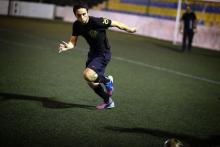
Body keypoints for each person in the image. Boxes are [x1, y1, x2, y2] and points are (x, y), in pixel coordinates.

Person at [58, 3, 136, 110]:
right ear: (75, 15)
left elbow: (116, 23)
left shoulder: (96, 21)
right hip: (93, 54)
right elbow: (73, 41)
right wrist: (68, 46)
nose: (82, 17)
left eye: (84, 14)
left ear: (87, 12)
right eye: (78, 15)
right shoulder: (76, 25)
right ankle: (108, 101)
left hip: (103, 54)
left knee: (87, 75)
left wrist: (130, 29)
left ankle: (107, 81)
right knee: (91, 82)